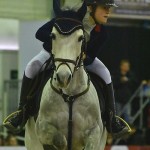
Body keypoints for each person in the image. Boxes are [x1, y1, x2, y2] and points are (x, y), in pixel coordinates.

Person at [3, 0, 131, 138]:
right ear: (91, 7)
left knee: (106, 73)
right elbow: (40, 33)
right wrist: (61, 41)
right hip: (53, 53)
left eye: (109, 8)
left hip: (78, 60)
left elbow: (90, 57)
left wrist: (81, 56)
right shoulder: (69, 18)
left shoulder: (102, 33)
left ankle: (111, 118)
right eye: (105, 7)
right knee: (31, 67)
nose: (108, 11)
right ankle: (22, 112)